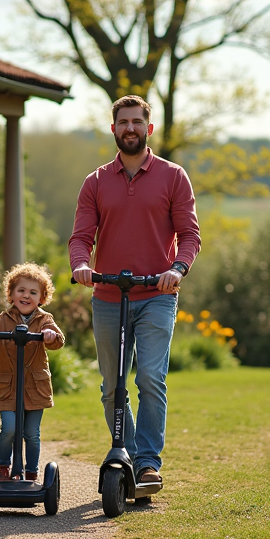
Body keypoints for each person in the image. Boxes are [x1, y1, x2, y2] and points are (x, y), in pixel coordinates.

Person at [68, 95, 201, 485]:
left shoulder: (173, 176)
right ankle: (121, 452)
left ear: (149, 128)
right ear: (113, 129)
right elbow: (81, 237)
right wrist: (81, 266)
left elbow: (190, 234)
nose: (130, 129)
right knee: (113, 386)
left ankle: (147, 463)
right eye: (123, 122)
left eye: (136, 122)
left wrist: (177, 268)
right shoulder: (95, 182)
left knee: (149, 379)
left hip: (157, 294)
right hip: (109, 296)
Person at [0, 263, 65, 482]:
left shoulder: (45, 320)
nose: (26, 296)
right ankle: (3, 468)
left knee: (32, 434)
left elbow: (58, 341)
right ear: (11, 294)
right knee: (9, 428)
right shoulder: (0, 321)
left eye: (33, 292)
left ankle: (31, 472)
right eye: (21, 291)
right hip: (9, 388)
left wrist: (51, 336)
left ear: (42, 298)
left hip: (35, 388)